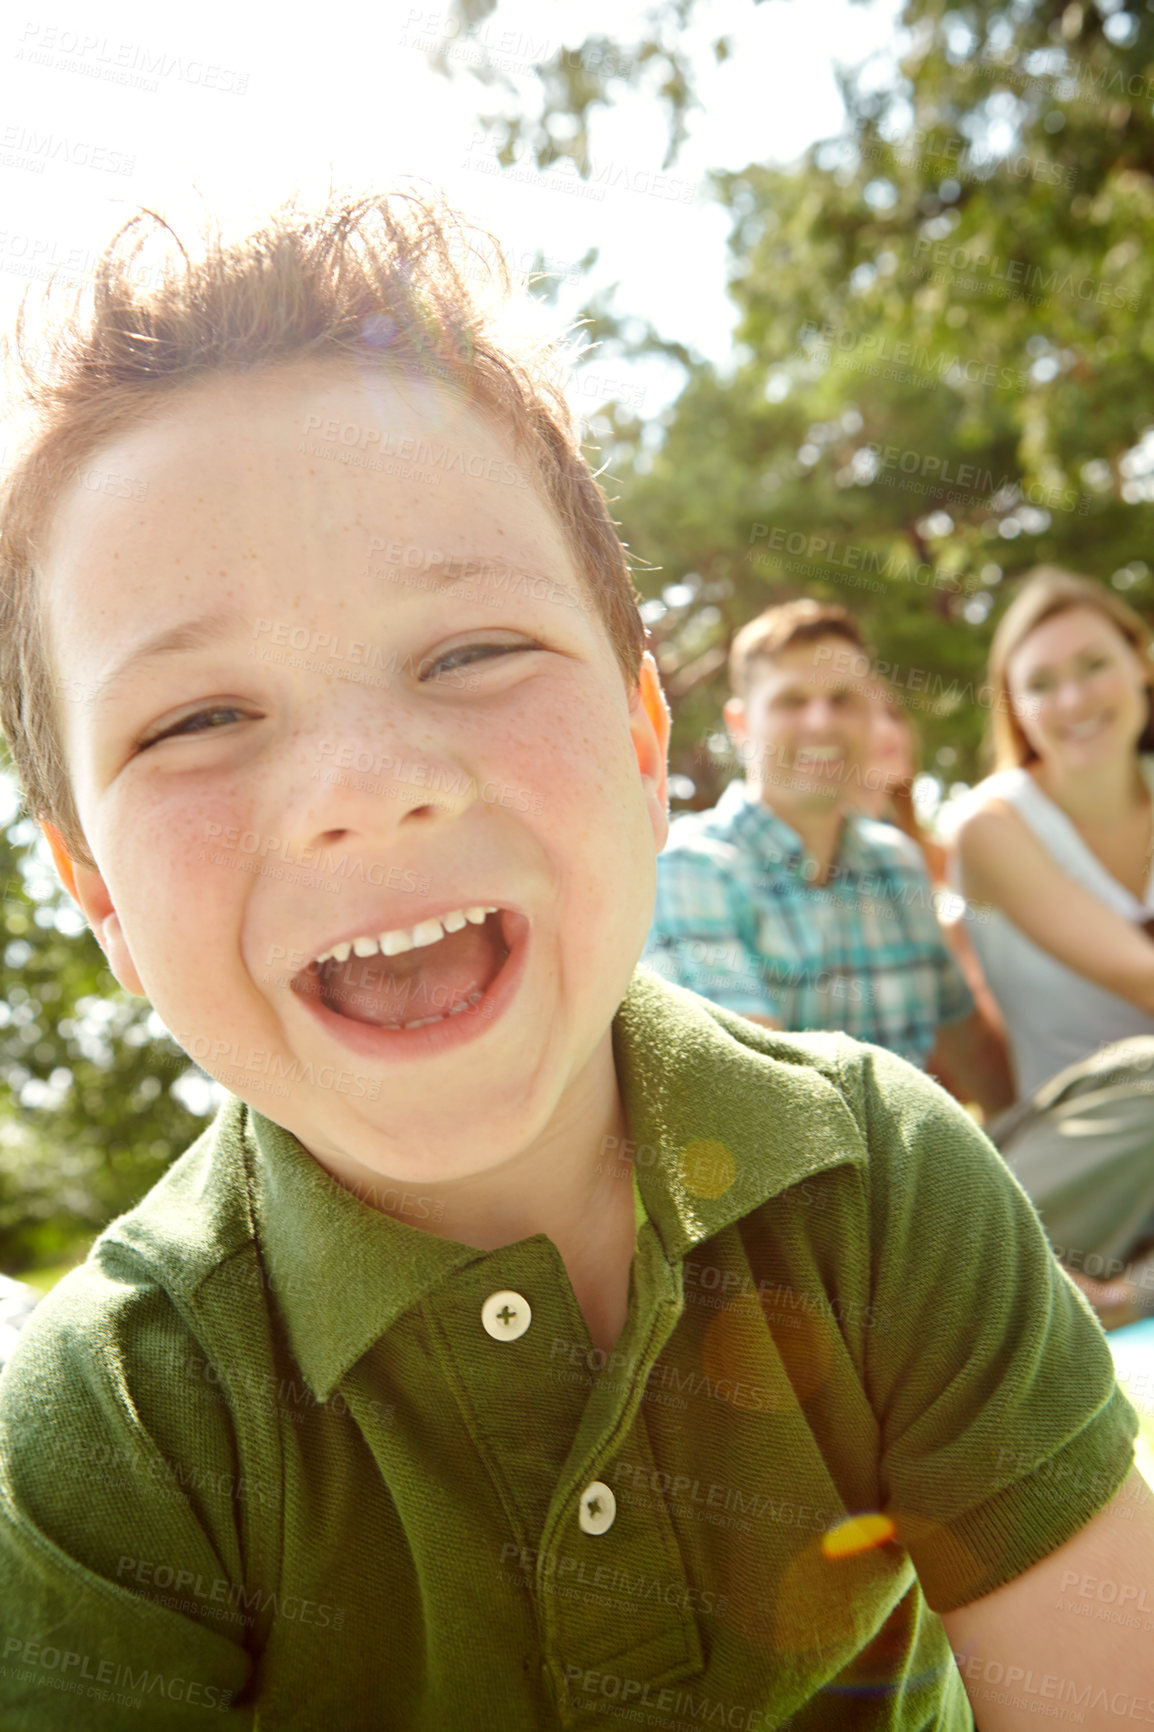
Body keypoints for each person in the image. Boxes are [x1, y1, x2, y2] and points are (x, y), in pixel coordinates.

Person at [0, 195, 1150, 1730]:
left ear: (643, 743)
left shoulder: (885, 1186)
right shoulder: (112, 1437)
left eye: (470, 650)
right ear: (96, 896)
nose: (367, 787)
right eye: (197, 718)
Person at [643, 600, 1014, 1118]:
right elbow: (761, 1102)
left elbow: (975, 1054)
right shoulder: (688, 868)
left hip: (916, 1163)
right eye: (791, 701)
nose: (821, 722)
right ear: (740, 725)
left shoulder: (898, 864)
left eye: (843, 700)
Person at [952, 567, 1154, 1329]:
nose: (1072, 700)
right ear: (1016, 707)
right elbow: (1141, 976)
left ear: (1140, 663)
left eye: (1094, 665)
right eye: (1041, 684)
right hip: (1082, 1147)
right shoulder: (994, 826)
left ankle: (1121, 1300)